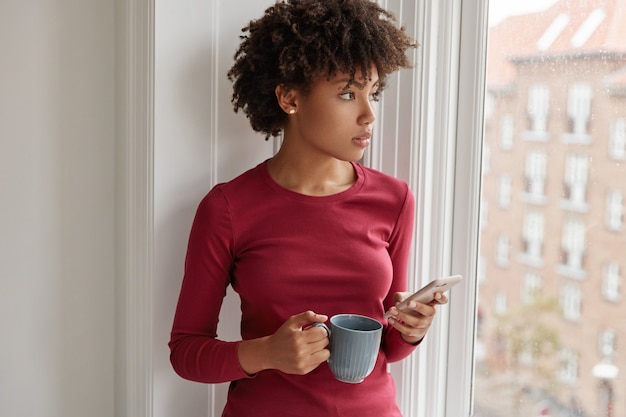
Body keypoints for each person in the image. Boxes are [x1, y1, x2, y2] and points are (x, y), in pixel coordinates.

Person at [169, 0, 448, 416]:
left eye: (373, 93)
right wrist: (266, 353)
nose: (368, 114)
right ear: (289, 97)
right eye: (348, 93)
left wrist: (411, 331)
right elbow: (186, 352)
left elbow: (386, 348)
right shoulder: (227, 207)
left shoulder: (395, 200)